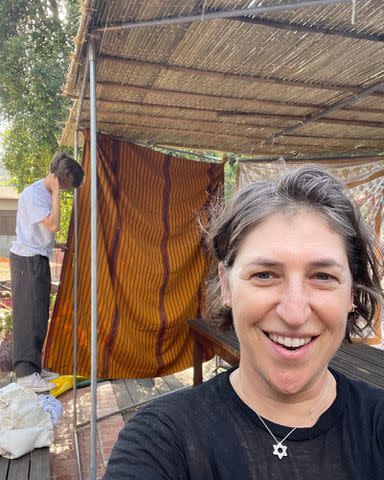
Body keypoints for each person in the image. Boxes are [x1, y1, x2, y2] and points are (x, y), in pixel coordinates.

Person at [104, 165, 384, 479]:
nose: (294, 313)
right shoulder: (162, 441)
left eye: (323, 276)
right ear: (226, 285)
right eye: (264, 275)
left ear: (351, 294)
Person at [10, 152, 84, 393]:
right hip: (27, 260)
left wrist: (54, 244)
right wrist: (55, 193)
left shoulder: (44, 194)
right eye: (67, 186)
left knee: (39, 317)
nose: (66, 191)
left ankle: (34, 369)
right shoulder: (35, 194)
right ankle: (24, 374)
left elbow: (37, 231)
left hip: (36, 256)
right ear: (60, 180)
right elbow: (53, 223)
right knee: (28, 318)